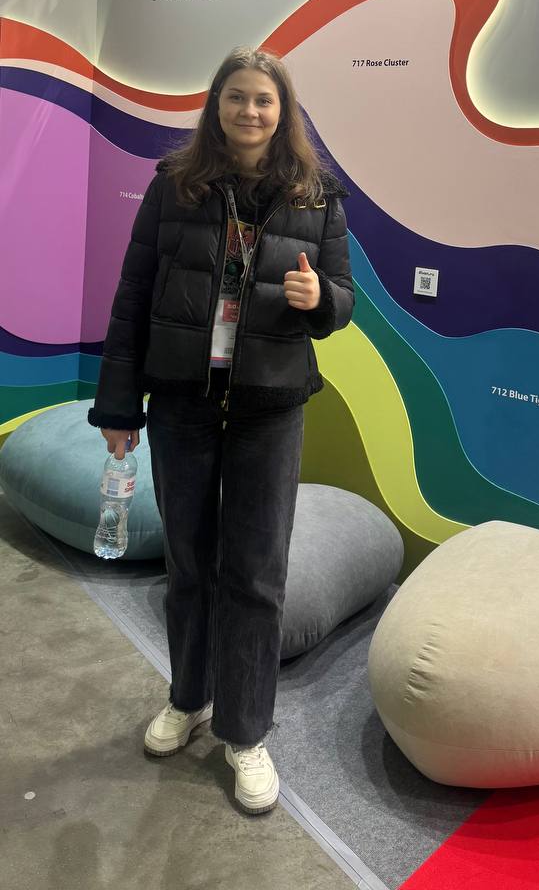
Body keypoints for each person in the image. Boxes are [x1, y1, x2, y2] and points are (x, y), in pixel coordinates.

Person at [88, 46, 354, 815]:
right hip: (183, 406)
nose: (250, 111)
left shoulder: (316, 195)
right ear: (217, 105)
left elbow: (342, 298)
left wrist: (318, 299)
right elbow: (133, 294)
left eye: (264, 100)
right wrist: (118, 408)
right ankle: (189, 697)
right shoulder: (175, 186)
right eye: (237, 97)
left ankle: (245, 732)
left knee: (256, 576)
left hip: (270, 409)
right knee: (189, 565)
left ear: (283, 111)